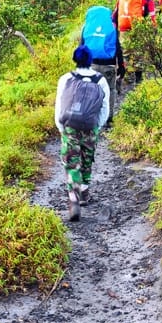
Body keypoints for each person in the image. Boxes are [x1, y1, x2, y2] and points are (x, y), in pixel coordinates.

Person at [54, 45, 110, 221]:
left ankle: (73, 200)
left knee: (72, 162)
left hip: (70, 126)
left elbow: (60, 105)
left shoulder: (66, 79)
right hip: (90, 127)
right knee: (87, 158)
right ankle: (85, 192)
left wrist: (61, 127)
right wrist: (97, 126)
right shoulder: (100, 81)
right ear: (90, 60)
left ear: (75, 59)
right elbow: (105, 107)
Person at [80, 4, 125, 125]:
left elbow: (81, 47)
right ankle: (109, 119)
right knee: (110, 90)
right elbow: (118, 48)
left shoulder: (86, 27)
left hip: (91, 65)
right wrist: (121, 66)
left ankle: (90, 116)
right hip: (108, 66)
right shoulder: (111, 28)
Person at [113, 0, 156, 83]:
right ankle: (138, 79)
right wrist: (153, 30)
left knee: (125, 53)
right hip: (138, 28)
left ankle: (125, 76)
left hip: (123, 28)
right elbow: (152, 17)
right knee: (138, 53)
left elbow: (115, 15)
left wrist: (114, 30)